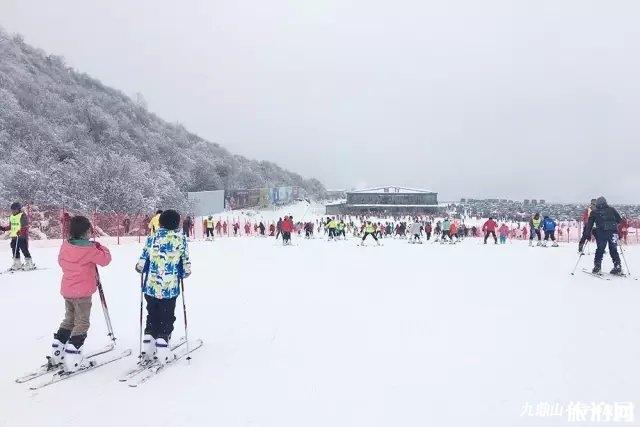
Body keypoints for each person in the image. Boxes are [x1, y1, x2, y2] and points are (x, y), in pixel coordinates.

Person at [51, 216, 112, 372]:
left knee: (69, 320)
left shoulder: (65, 245)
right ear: (86, 232)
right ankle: (73, 354)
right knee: (82, 323)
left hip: (68, 290)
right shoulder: (90, 249)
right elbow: (106, 260)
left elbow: (60, 261)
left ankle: (57, 350)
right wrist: (100, 247)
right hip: (83, 293)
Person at [136, 210, 192, 364]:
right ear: (177, 224)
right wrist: (186, 271)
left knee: (152, 313)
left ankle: (149, 339)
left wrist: (140, 267)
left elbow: (143, 258)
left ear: (159, 223)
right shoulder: (180, 239)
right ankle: (162, 343)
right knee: (167, 316)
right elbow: (185, 259)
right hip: (169, 289)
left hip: (151, 287)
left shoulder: (152, 237)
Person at [579, 197, 623, 275]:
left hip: (601, 233)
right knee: (613, 249)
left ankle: (597, 267)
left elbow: (589, 225)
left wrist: (587, 234)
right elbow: (619, 220)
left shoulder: (594, 212)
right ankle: (618, 266)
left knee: (600, 249)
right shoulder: (612, 209)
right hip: (613, 232)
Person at [0, 202, 35, 271]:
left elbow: (25, 226)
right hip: (14, 236)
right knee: (14, 250)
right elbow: (11, 226)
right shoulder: (12, 216)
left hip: (21, 236)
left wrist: (20, 231)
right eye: (12, 210)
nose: (13, 211)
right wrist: (3, 228)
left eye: (14, 210)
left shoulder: (22, 216)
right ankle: (17, 263)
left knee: (24, 249)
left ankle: (29, 263)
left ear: (18, 209)